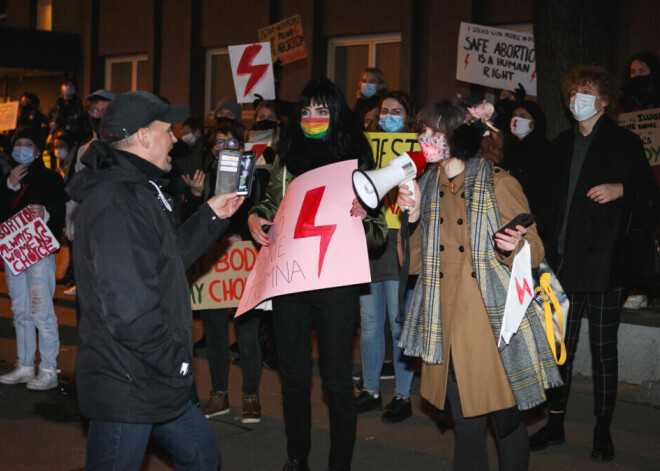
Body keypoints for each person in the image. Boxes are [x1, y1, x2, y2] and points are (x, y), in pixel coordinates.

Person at [65, 91, 244, 469]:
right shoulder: (117, 202)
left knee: (201, 455)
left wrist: (211, 215)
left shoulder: (138, 189)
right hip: (127, 383)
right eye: (167, 130)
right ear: (143, 136)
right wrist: (175, 363)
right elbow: (129, 311)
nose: (175, 138)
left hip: (150, 377)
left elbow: (166, 257)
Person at [396, 99, 561, 470]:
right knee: (466, 426)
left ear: (458, 137)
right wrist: (413, 217)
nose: (424, 139)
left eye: (433, 132)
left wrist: (514, 245)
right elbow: (414, 265)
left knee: (505, 423)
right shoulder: (426, 183)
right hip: (444, 321)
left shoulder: (499, 182)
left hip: (490, 324)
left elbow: (534, 248)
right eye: (423, 131)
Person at [248, 78, 387, 471]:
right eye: (306, 111)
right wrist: (255, 216)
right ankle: (297, 458)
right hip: (292, 281)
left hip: (336, 287)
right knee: (292, 379)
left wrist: (363, 219)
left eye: (321, 110)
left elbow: (378, 237)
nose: (312, 118)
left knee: (337, 383)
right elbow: (271, 203)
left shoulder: (357, 159)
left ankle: (339, 464)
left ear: (336, 113)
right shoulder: (286, 155)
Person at [529, 65, 657, 461]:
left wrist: (622, 189)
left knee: (604, 351)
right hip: (563, 262)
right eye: (572, 93)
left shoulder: (624, 143)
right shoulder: (561, 143)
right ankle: (554, 423)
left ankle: (603, 430)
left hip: (605, 264)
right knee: (558, 350)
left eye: (585, 92)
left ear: (603, 100)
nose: (576, 99)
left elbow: (650, 197)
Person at [182, 121, 264, 424]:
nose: (225, 149)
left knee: (247, 334)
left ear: (241, 148)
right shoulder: (203, 178)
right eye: (219, 144)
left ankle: (251, 397)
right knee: (215, 335)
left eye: (232, 144)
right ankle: (219, 395)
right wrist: (194, 195)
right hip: (213, 266)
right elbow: (190, 226)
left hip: (243, 261)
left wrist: (240, 234)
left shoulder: (254, 177)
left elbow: (258, 211)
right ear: (212, 149)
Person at [355, 91, 417, 423]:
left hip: (400, 242)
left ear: (408, 118)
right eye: (384, 112)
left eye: (396, 111)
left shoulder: (418, 154)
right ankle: (370, 390)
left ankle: (403, 396)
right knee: (369, 324)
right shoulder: (367, 150)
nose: (388, 117)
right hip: (371, 241)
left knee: (398, 324)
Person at [0, 126, 66, 391]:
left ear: (38, 150)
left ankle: (49, 368)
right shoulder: (7, 177)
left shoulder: (50, 177)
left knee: (41, 311)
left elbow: (59, 212)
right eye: (19, 143)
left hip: (38, 253)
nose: (22, 148)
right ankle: (25, 365)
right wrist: (9, 186)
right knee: (20, 310)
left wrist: (46, 214)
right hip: (13, 254)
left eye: (28, 144)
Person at [503, 100, 552, 240]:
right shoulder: (509, 150)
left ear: (534, 122)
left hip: (535, 223)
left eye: (523, 116)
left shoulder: (545, 151)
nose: (516, 119)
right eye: (514, 115)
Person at [48, 77, 92, 144]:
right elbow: (51, 124)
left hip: (75, 141)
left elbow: (85, 127)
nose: (68, 87)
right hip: (58, 141)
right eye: (66, 85)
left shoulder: (80, 108)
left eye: (71, 85)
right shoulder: (56, 107)